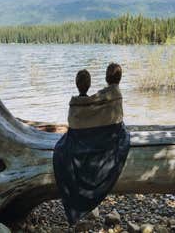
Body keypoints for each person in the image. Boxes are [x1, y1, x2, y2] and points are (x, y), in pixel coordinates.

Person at [53, 63, 130, 225]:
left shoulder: (75, 103)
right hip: (110, 136)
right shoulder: (115, 95)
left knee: (60, 150)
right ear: (119, 78)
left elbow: (74, 125)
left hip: (81, 138)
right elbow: (116, 120)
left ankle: (78, 204)